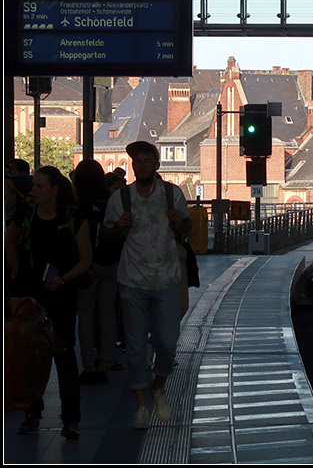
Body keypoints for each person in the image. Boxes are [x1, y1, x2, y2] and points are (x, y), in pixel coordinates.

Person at [101, 141, 192, 430]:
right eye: (136, 162)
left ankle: (159, 383)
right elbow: (107, 235)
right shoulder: (121, 199)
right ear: (132, 166)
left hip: (166, 277)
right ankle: (142, 405)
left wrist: (179, 223)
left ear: (156, 165)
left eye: (146, 161)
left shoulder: (171, 194)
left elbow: (187, 230)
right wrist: (119, 228)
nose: (141, 166)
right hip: (132, 279)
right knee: (136, 346)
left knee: (167, 342)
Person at [5, 165, 92, 440]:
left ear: (55, 189)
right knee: (30, 354)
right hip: (32, 293)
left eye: (40, 186)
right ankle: (33, 413)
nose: (34, 190)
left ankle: (71, 418)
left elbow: (85, 259)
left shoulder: (73, 218)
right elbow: (10, 239)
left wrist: (63, 279)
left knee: (63, 354)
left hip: (61, 293)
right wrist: (17, 270)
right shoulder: (26, 213)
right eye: (34, 185)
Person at [73, 159, 123, 384]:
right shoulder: (111, 201)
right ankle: (107, 360)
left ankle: (88, 365)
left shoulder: (79, 205)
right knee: (107, 313)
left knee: (85, 315)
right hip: (111, 262)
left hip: (88, 264)